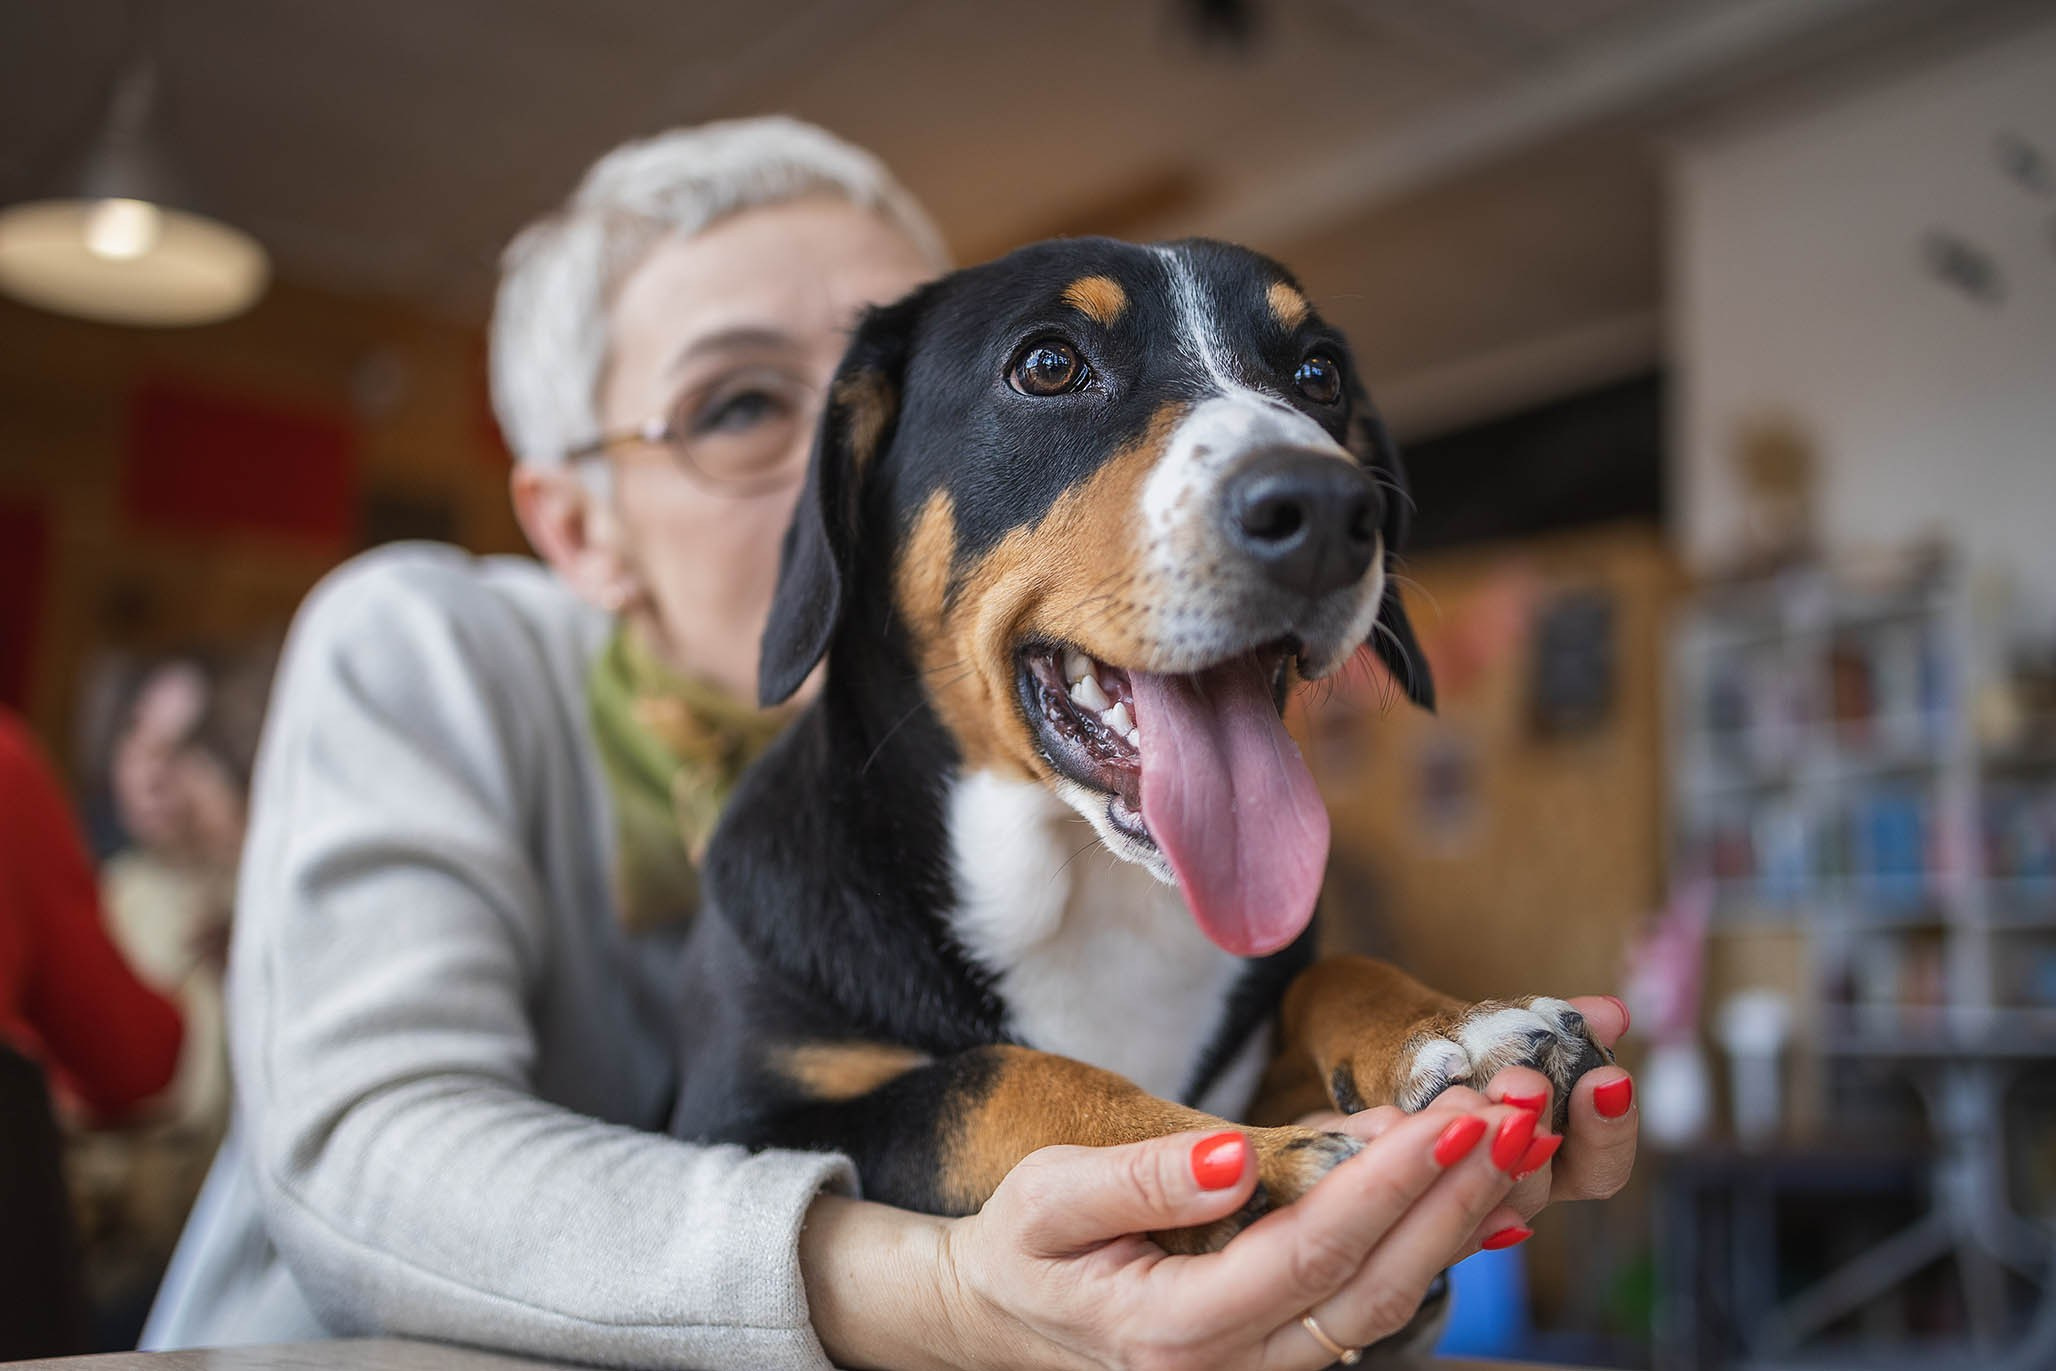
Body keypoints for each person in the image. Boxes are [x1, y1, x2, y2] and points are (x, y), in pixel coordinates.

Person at [142, 117, 1638, 1370]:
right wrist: (940, 1288)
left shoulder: (1105, 782)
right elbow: (368, 1164)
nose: (831, 469)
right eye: (735, 405)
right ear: (578, 524)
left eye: (885, 384)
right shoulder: (428, 646)